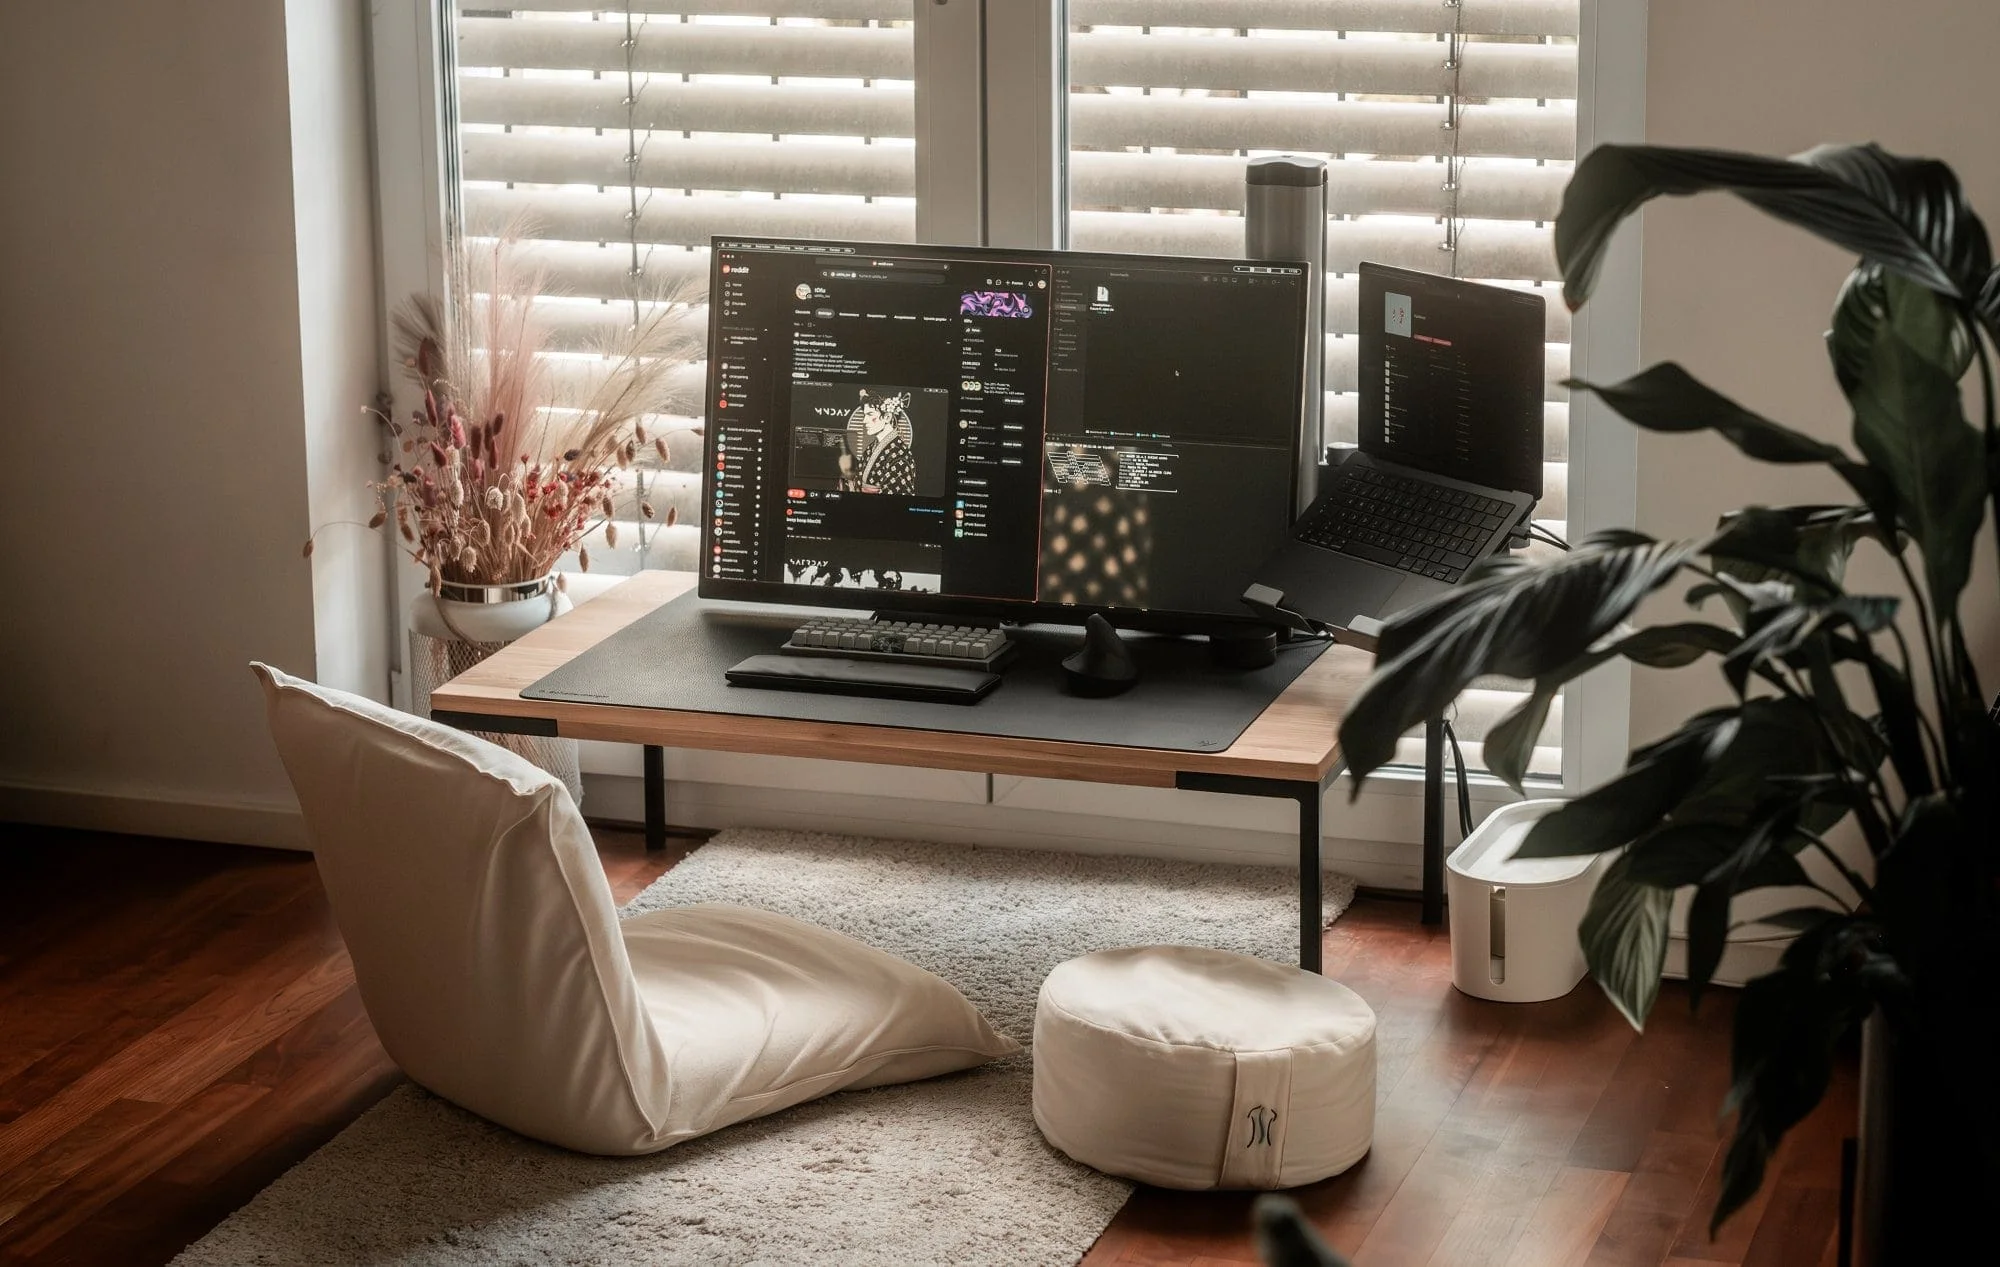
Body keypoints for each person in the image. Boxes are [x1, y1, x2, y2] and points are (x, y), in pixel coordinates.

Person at [839, 391, 918, 495]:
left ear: (887, 417)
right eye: (864, 415)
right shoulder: (871, 447)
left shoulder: (901, 455)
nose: (864, 420)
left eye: (870, 414)